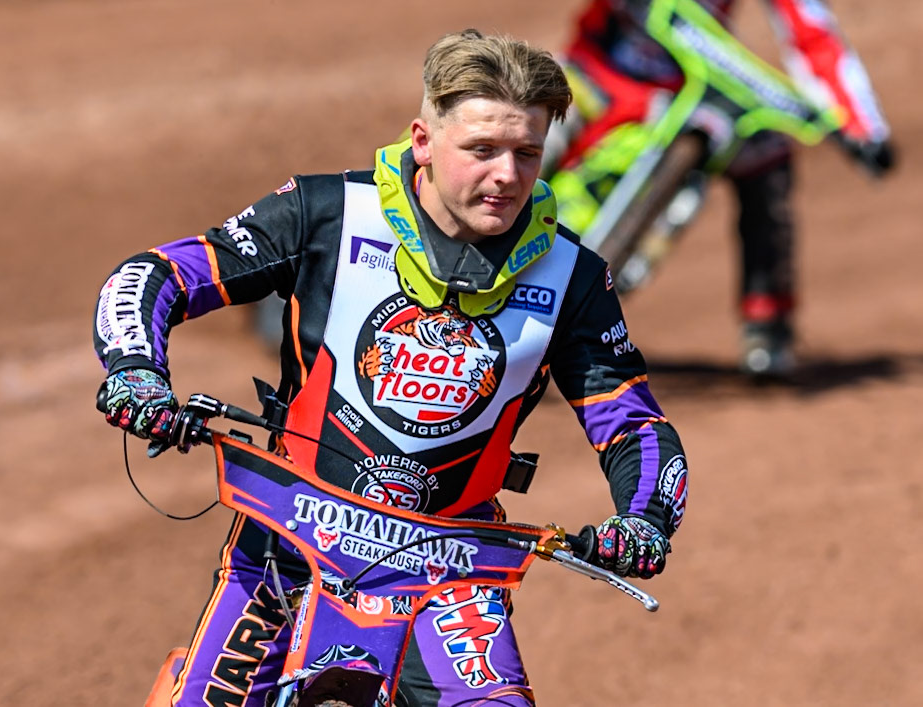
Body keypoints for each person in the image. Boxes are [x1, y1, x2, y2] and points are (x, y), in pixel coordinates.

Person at [93, 29, 688, 706]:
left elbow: (632, 421)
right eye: (481, 150)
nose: (506, 175)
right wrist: (136, 372)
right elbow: (159, 274)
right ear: (423, 141)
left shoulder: (571, 275)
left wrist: (644, 518)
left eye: (528, 152)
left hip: (451, 567)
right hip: (288, 541)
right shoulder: (327, 214)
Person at [542, 0, 895, 379]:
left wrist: (861, 127)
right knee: (522, 129)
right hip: (599, 71)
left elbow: (811, 30)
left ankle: (767, 327)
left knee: (766, 150)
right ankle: (475, 267)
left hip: (691, 87)